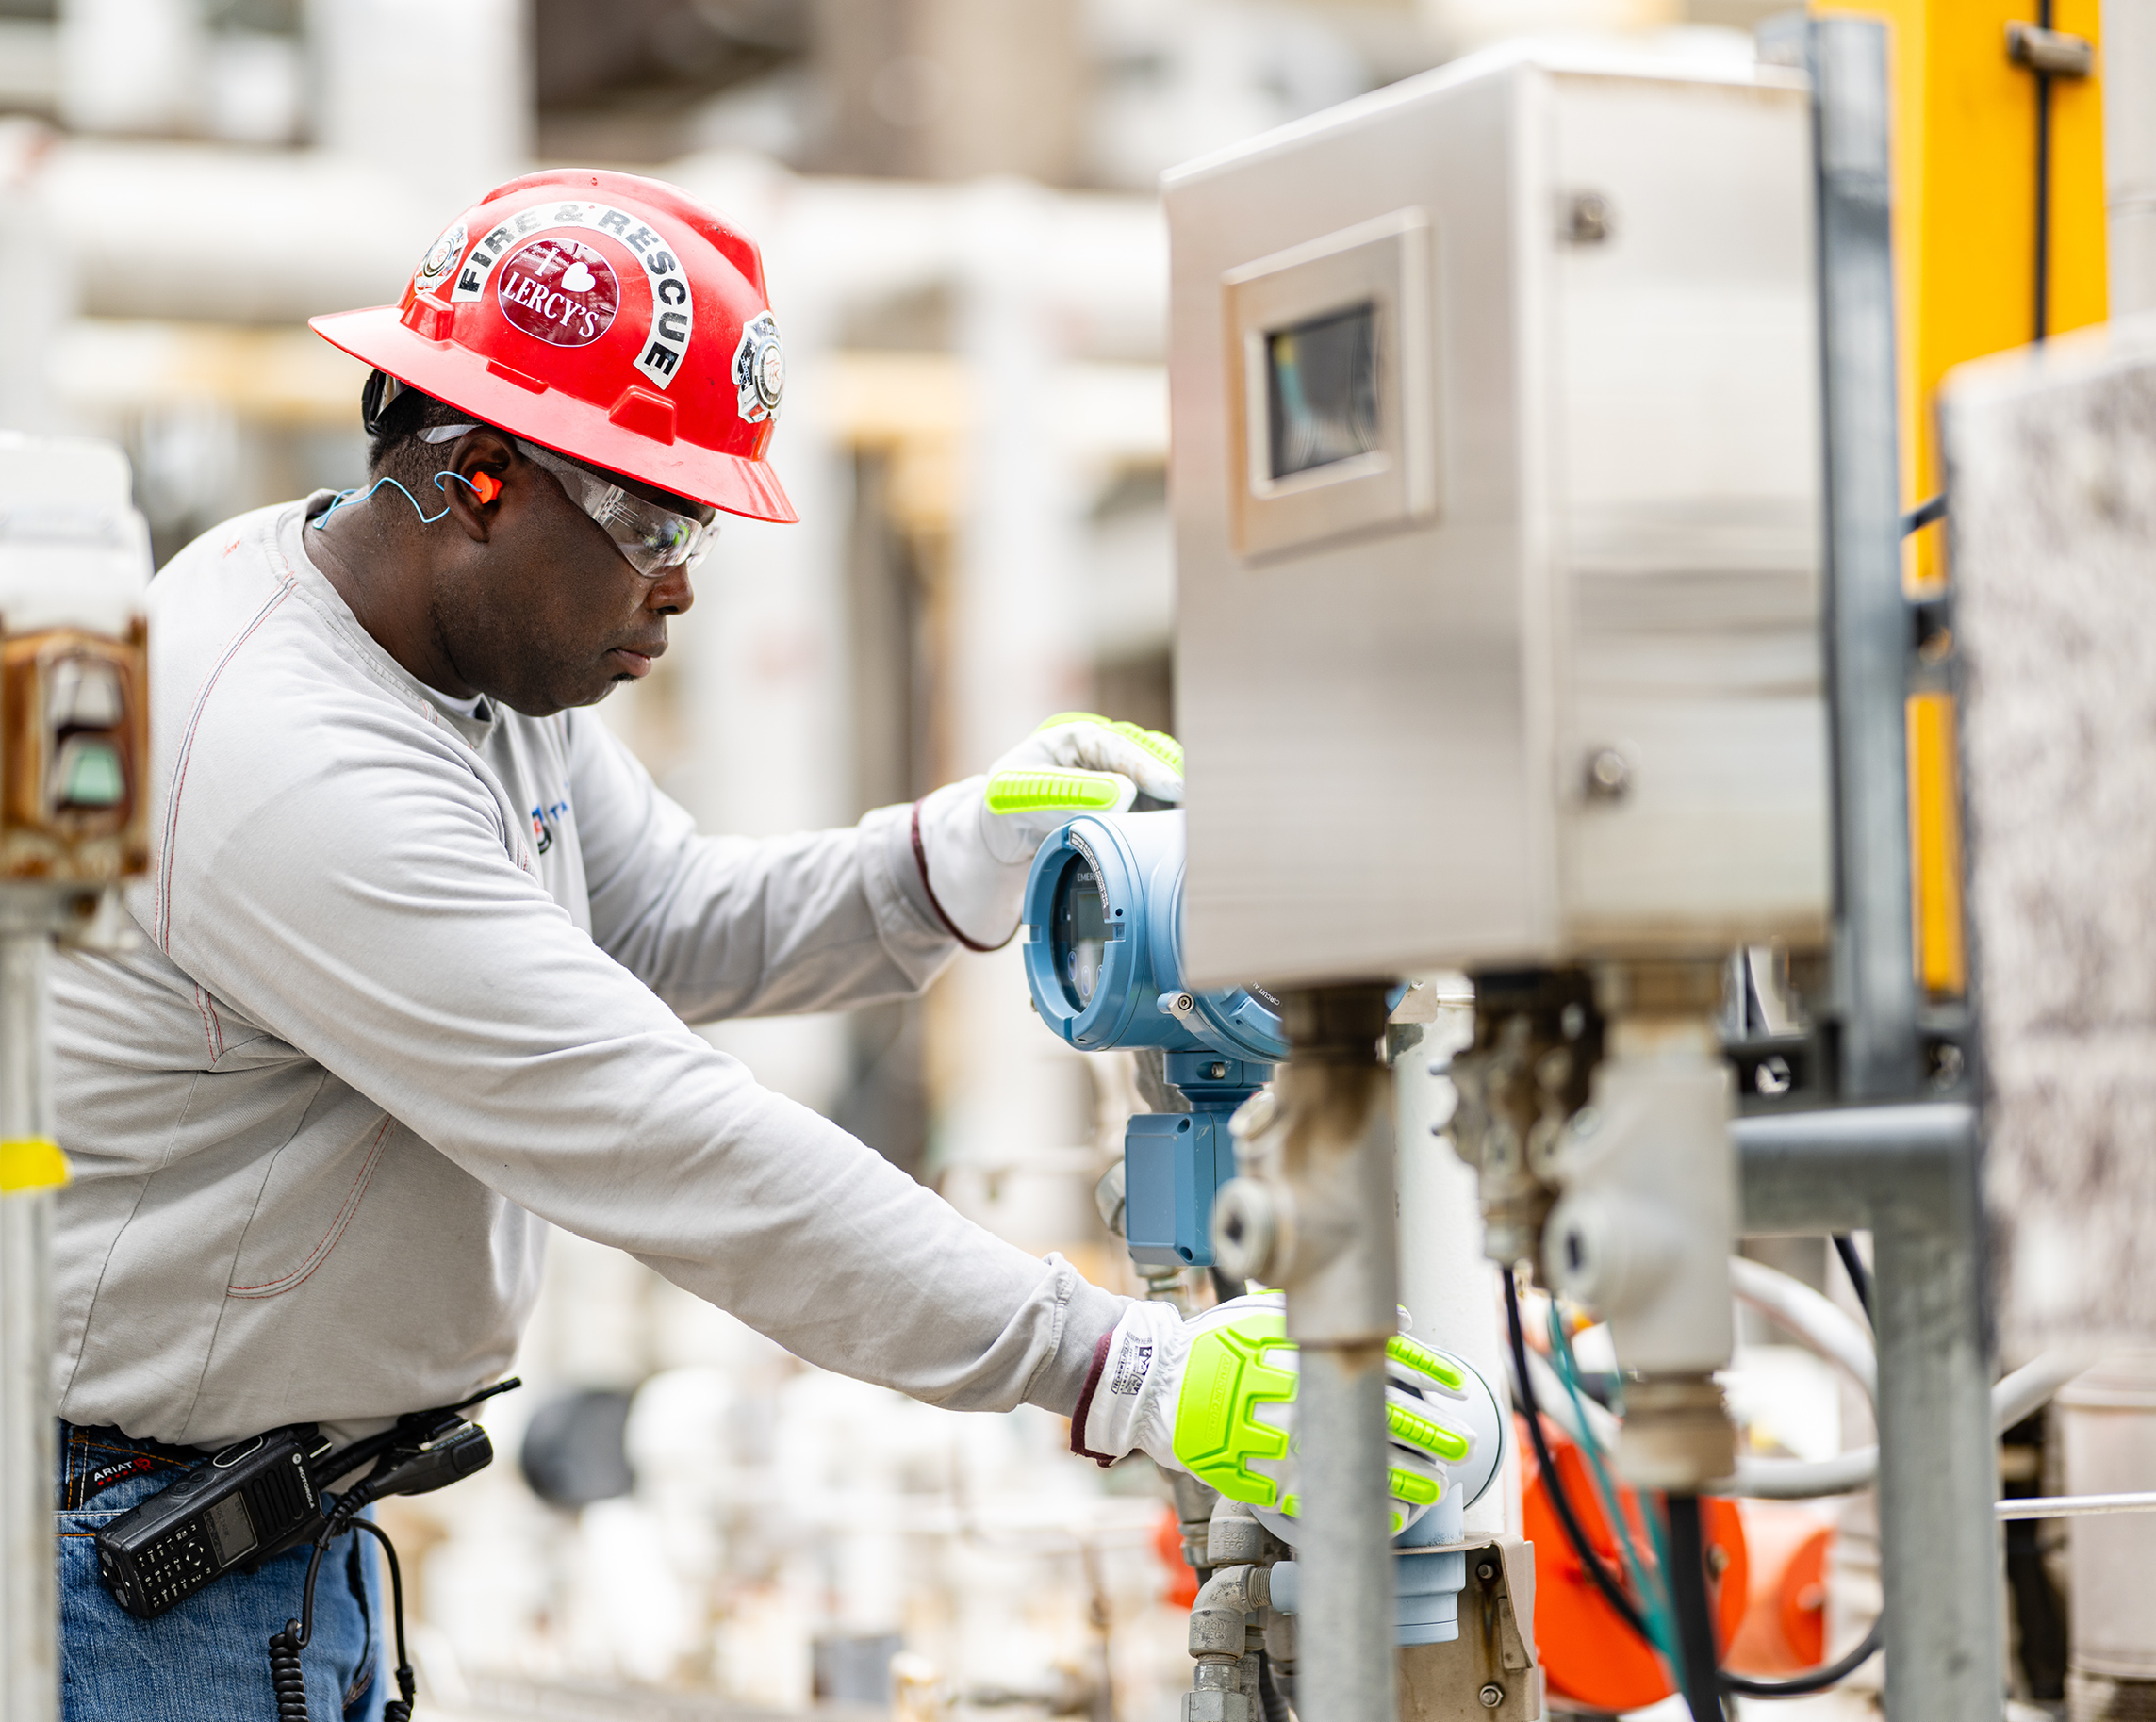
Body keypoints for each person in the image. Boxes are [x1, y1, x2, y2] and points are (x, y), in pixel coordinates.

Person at [49, 170, 1473, 1718]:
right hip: (128, 1584)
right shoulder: (290, 761)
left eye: (700, 528)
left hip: (267, 1546)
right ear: (476, 476)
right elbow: (662, 1136)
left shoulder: (447, 672)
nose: (676, 584)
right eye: (651, 517)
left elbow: (663, 921)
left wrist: (957, 854)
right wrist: (1114, 1367)